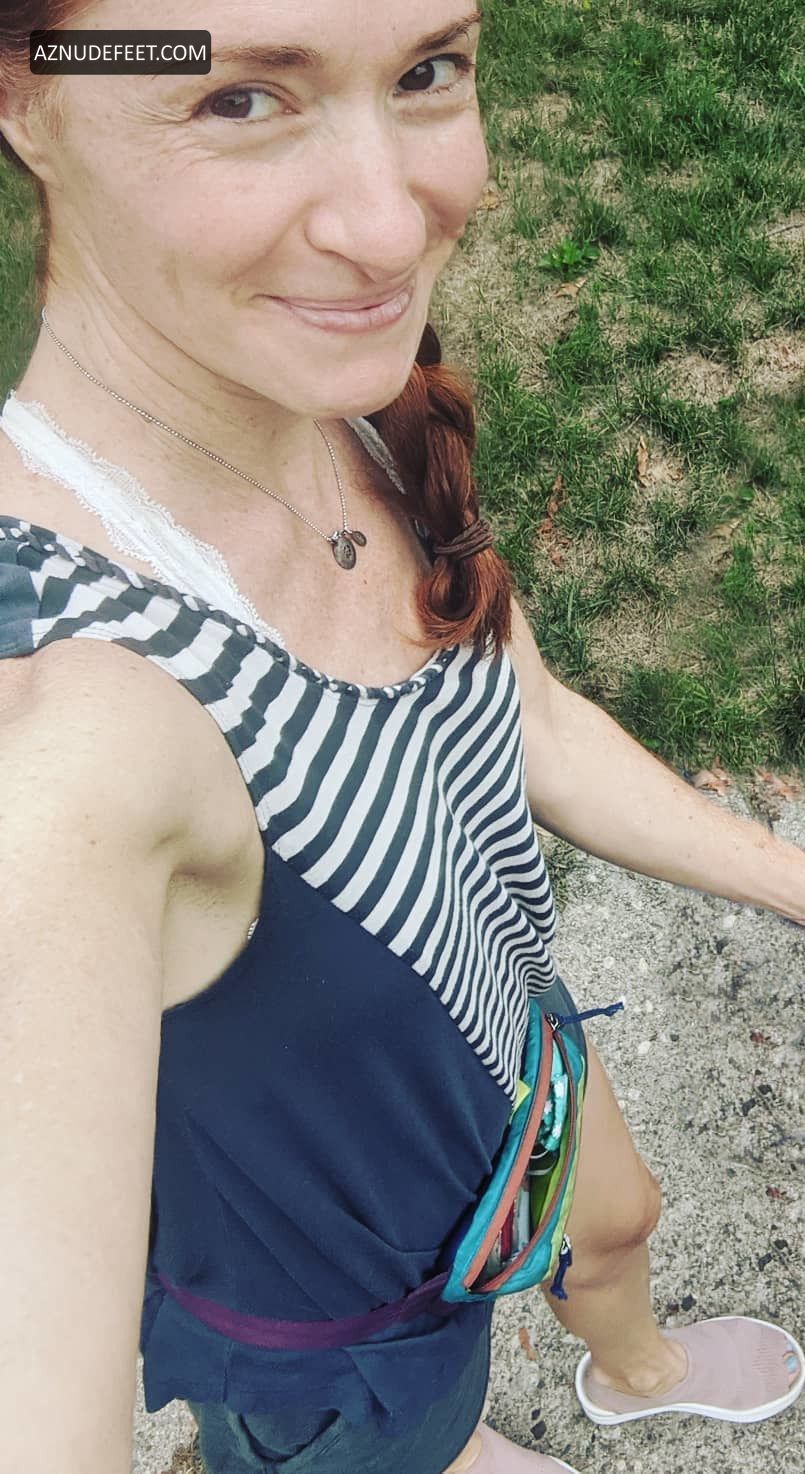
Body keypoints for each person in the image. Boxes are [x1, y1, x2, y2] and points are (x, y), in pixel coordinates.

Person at [0, 2, 803, 1472]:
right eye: (241, 98)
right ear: (25, 99)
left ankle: (632, 1368)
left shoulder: (341, 402)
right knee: (408, 1440)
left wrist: (788, 877)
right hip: (347, 1333)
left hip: (514, 1056)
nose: (390, 229)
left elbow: (524, 712)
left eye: (429, 70)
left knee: (618, 1218)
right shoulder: (72, 715)